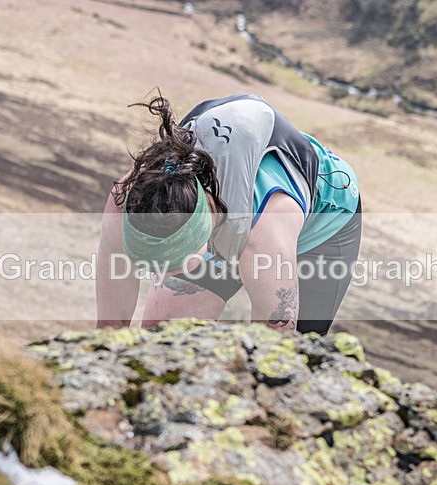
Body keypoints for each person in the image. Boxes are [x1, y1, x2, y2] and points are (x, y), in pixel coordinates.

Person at [96, 93, 361, 334]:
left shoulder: (264, 234)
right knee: (160, 335)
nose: (163, 277)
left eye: (175, 263)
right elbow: (110, 326)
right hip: (227, 215)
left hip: (327, 217)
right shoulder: (129, 197)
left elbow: (277, 336)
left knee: (304, 352)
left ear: (209, 215)